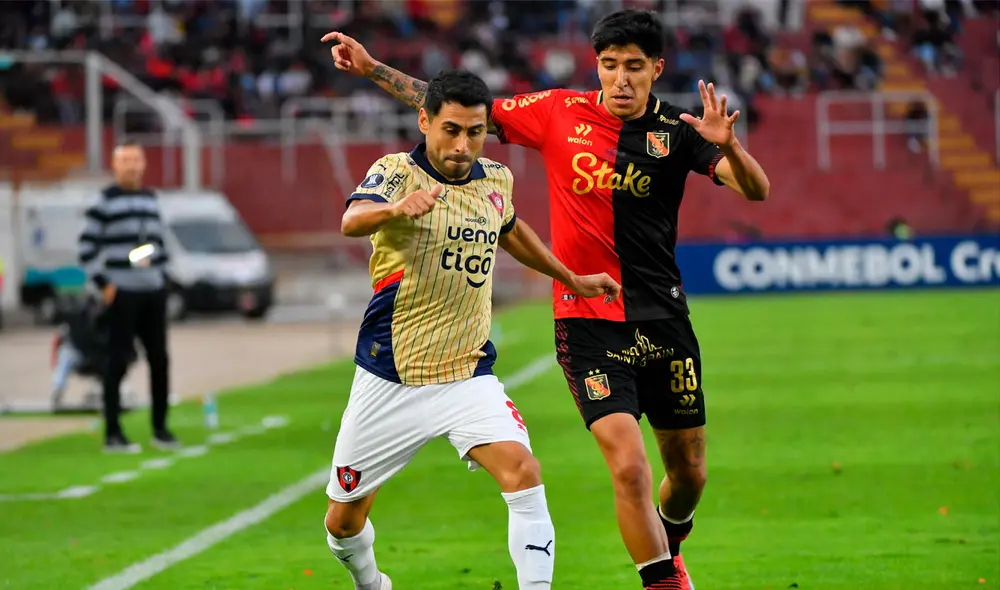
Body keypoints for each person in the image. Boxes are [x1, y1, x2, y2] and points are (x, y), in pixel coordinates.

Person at [324, 9, 770, 589]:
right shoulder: (556, 113)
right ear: (598, 67)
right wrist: (372, 69)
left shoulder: (675, 134)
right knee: (628, 466)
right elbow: (448, 111)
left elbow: (756, 191)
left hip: (643, 323)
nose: (622, 79)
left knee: (683, 476)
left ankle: (666, 546)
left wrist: (729, 148)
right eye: (610, 66)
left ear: (656, 69)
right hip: (556, 332)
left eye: (635, 67)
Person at [324, 70, 621, 589]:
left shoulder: (495, 179)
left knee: (523, 473)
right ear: (425, 121)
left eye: (475, 132)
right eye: (452, 130)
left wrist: (570, 277)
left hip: (466, 373)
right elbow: (352, 221)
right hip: (391, 374)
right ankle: (372, 584)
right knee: (343, 521)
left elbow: (510, 230)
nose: (463, 145)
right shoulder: (396, 171)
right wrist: (395, 209)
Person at [78, 142, 177, 453]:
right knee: (116, 361)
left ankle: (161, 429)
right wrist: (104, 282)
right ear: (115, 165)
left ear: (144, 163)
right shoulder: (103, 202)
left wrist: (161, 273)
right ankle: (113, 432)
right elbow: (86, 249)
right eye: (126, 160)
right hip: (123, 291)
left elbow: (159, 242)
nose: (132, 166)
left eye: (136, 159)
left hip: (152, 289)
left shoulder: (150, 198)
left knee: (159, 360)